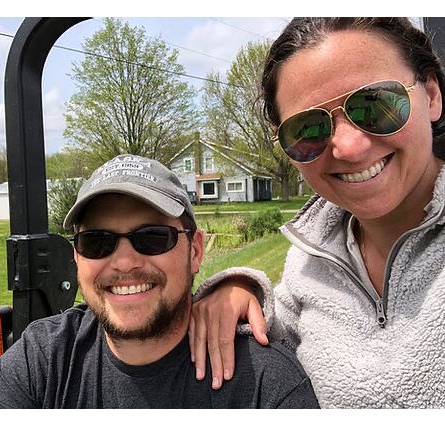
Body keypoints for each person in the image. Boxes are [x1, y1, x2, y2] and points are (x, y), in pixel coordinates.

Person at [190, 17, 445, 409]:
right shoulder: (310, 260)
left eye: (375, 105)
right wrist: (240, 290)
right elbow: (278, 335)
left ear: (431, 95)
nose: (349, 147)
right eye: (308, 129)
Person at [0, 154, 319, 409]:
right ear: (77, 257)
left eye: (152, 237)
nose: (124, 262)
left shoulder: (263, 383)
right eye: (97, 242)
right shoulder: (43, 360)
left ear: (195, 251)